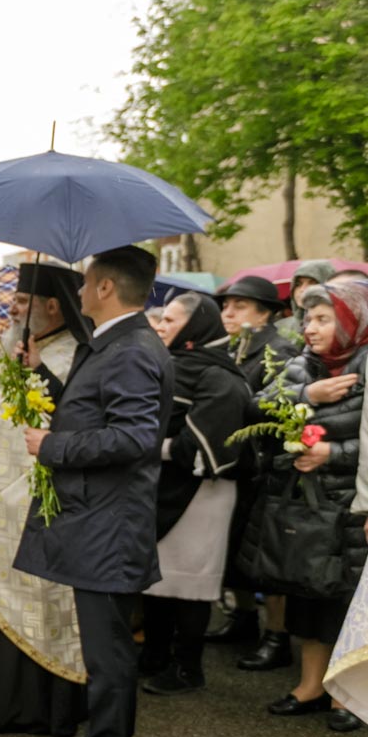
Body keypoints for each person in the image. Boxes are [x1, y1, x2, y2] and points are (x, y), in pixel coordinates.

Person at [18, 245, 174, 737]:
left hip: (110, 523)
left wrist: (54, 446)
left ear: (106, 288)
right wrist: (45, 383)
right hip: (98, 517)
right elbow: (97, 409)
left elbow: (134, 437)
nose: (79, 292)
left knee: (109, 651)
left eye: (86, 283)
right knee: (99, 644)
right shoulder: (112, 342)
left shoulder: (130, 348)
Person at [0, 263, 88, 736]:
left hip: (32, 506)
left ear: (52, 306)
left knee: (40, 598)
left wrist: (38, 370)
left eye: (23, 302)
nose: (12, 309)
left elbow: (72, 415)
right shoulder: (17, 349)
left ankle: (36, 707)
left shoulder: (73, 356)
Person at [248, 281, 368, 732]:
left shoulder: (366, 362)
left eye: (323, 318)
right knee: (308, 594)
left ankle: (349, 695)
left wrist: (330, 455)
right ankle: (311, 684)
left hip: (351, 502)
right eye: (307, 319)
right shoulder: (303, 364)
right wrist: (307, 397)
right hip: (305, 502)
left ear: (353, 319)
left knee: (346, 600)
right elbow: (256, 406)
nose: (310, 328)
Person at [139, 293, 252, 696]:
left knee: (190, 585)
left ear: (194, 327)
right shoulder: (172, 366)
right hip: (165, 487)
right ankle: (154, 655)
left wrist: (148, 446)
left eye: (171, 320)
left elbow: (204, 444)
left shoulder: (220, 376)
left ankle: (188, 668)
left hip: (204, 493)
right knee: (155, 580)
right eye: (163, 319)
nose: (162, 326)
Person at [214, 273, 296, 664]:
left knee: (264, 555)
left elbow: (275, 410)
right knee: (233, 548)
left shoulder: (277, 352)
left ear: (265, 315)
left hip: (265, 467)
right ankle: (243, 618)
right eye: (226, 305)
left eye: (239, 306)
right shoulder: (234, 347)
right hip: (236, 465)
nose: (228, 312)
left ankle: (276, 637)